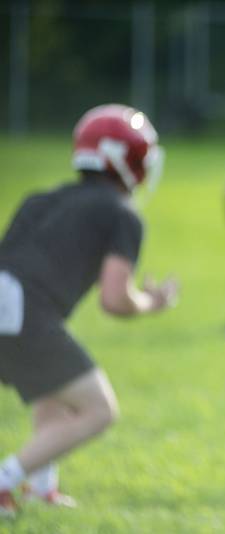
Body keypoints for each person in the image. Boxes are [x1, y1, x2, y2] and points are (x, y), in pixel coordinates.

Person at [0, 104, 178, 517]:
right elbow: (115, 299)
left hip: (12, 307)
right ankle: (6, 480)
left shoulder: (39, 199)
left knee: (54, 397)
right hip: (26, 312)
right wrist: (153, 302)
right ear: (129, 160)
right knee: (99, 410)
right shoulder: (121, 214)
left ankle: (42, 487)